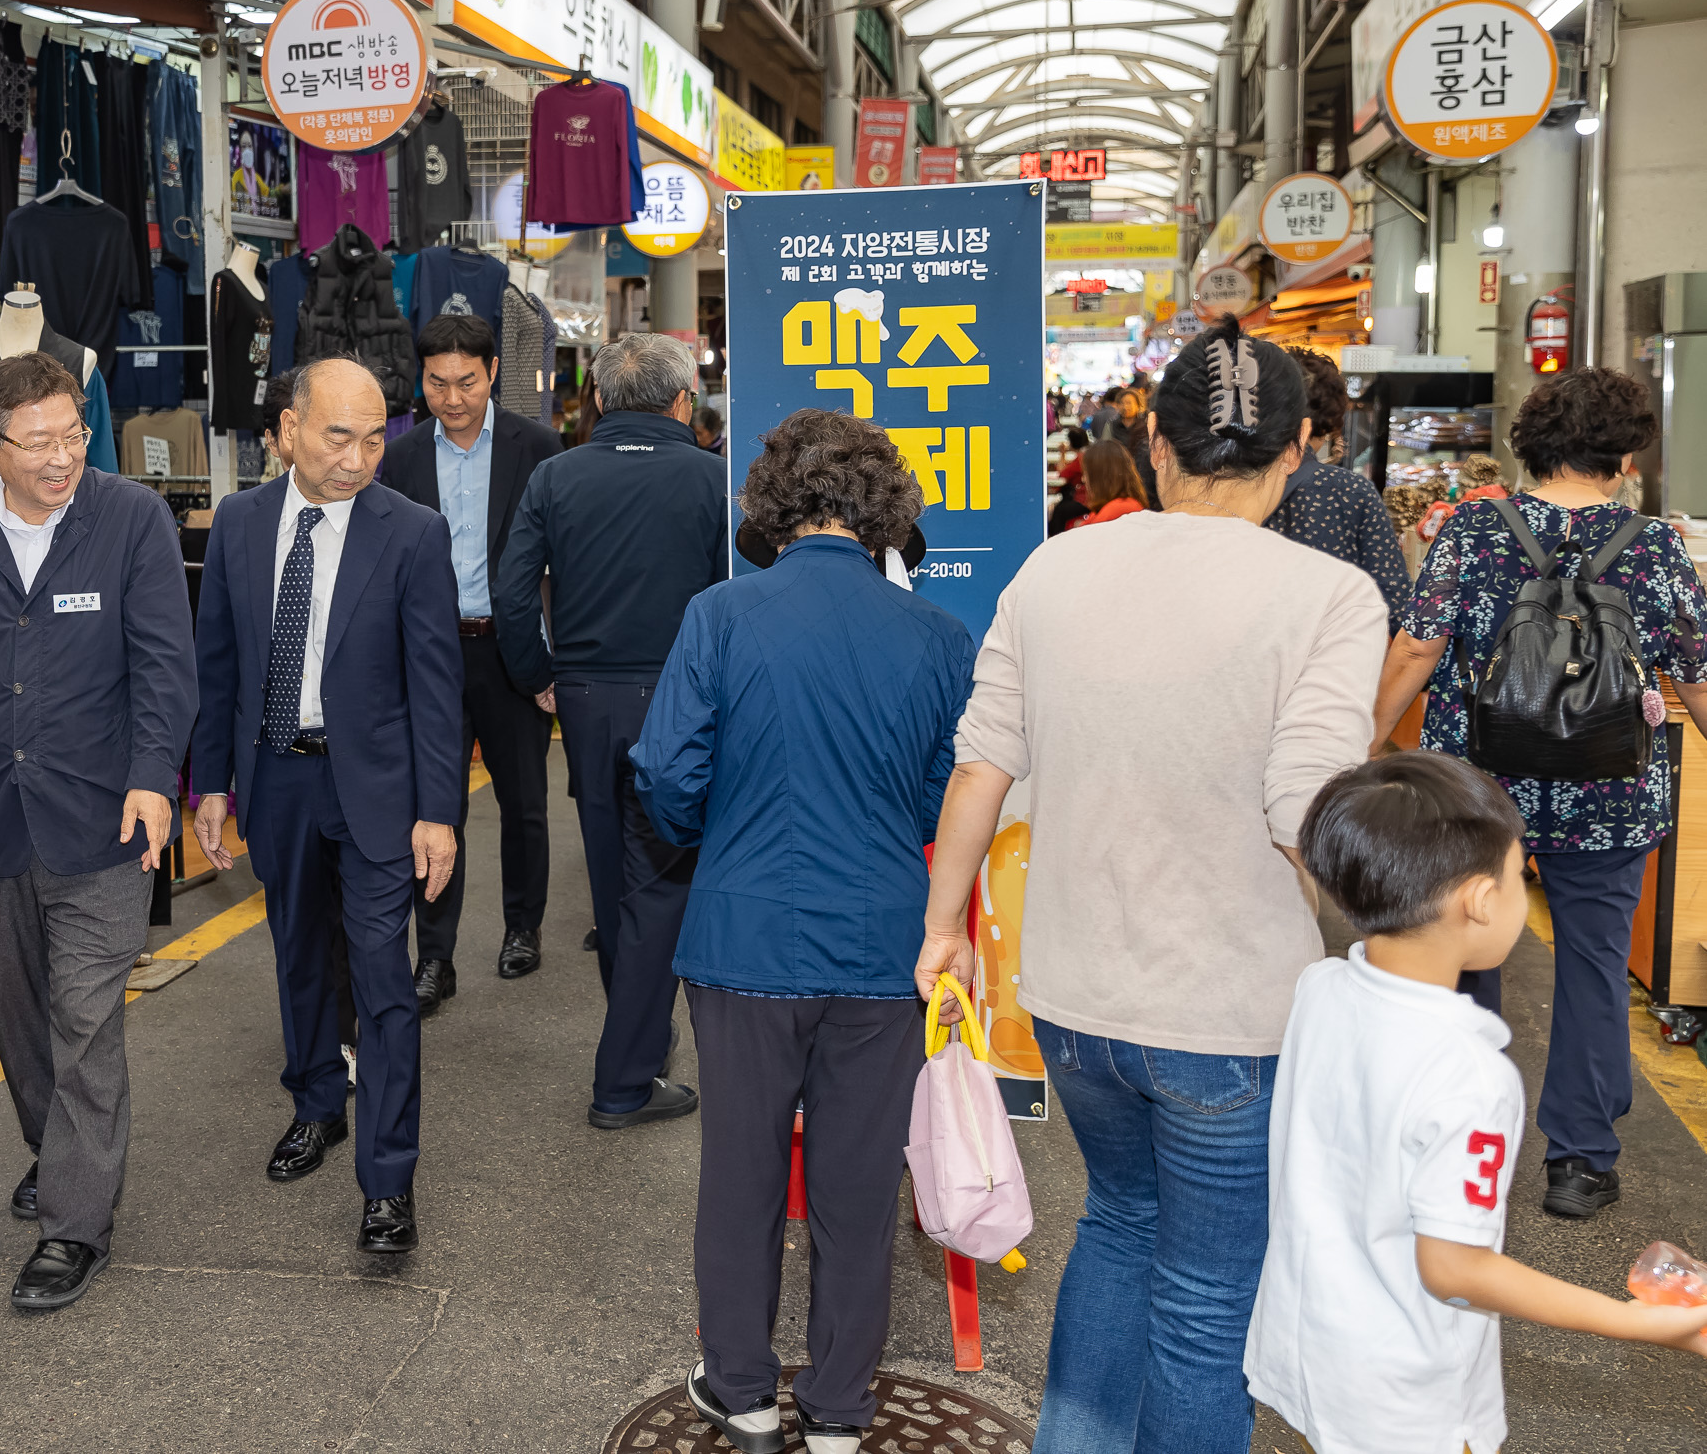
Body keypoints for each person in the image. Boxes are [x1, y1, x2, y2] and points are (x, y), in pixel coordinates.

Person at [919, 319, 1385, 1453]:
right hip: (1231, 1010)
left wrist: (944, 929)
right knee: (1209, 1291)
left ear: (1160, 448)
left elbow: (982, 758)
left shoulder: (1058, 561)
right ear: (1298, 451)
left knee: (1119, 1226)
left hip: (1074, 998)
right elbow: (1304, 806)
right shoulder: (1330, 596)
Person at [634, 411, 973, 1454]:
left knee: (737, 1173)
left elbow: (663, 770)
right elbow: (942, 798)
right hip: (879, 945)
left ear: (773, 504)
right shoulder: (939, 635)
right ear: (884, 510)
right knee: (858, 1185)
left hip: (741, 939)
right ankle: (836, 1402)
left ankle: (737, 1385)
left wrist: (714, 833)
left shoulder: (720, 614)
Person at [1246, 751, 1707, 1454]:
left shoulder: (1323, 988)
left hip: (1310, 1345)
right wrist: (1635, 1322)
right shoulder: (1468, 1074)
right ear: (1480, 899)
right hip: (1405, 1398)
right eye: (1520, 870)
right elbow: (1456, 1269)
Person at [0, 351, 196, 1312]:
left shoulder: (132, 519)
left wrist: (155, 779)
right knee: (18, 1022)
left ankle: (75, 1223)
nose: (64, 456)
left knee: (85, 1018)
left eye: (74, 434)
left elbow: (164, 666)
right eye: (40, 442)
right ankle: (55, 1148)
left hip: (102, 820)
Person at [1371, 367, 1707, 1219]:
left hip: (1477, 788)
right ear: (1625, 455)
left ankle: (1454, 1142)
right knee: (1593, 965)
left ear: (1531, 444)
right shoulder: (1655, 544)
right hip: (1610, 794)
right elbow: (1697, 675)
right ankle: (1580, 1162)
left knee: (1457, 954)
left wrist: (1364, 742)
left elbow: (1417, 647)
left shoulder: (1475, 527)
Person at [189, 357, 463, 1254]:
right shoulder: (237, 524)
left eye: (375, 436)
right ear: (286, 432)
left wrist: (440, 809)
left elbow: (436, 682)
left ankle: (388, 1180)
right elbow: (217, 666)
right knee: (299, 957)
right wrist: (212, 784)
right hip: (278, 779)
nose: (357, 457)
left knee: (385, 982)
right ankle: (316, 1102)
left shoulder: (413, 533)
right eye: (338, 435)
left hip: (381, 789)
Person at [495, 331, 726, 1131]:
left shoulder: (556, 476)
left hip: (587, 698)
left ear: (596, 399)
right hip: (682, 699)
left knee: (611, 877)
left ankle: (638, 1040)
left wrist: (538, 676)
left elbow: (513, 592)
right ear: (681, 400)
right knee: (663, 880)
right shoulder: (714, 482)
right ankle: (625, 1075)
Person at [377, 314, 563, 1007]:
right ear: (421, 379)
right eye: (436, 382)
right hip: (429, 656)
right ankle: (436, 955)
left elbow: (559, 566)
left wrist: (553, 661)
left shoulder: (539, 447)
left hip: (510, 648)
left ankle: (523, 927)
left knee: (525, 802)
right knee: (434, 805)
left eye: (467, 381)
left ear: (491, 375)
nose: (452, 397)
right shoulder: (399, 459)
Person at [1265, 346, 1407, 623]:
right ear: (1331, 421)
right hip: (1333, 655)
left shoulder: (1232, 479)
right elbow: (1393, 599)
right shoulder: (1352, 491)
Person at [1072, 440, 1147, 526]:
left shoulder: (1117, 509)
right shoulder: (1117, 506)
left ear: (1099, 477)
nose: (1083, 479)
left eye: (1086, 474)